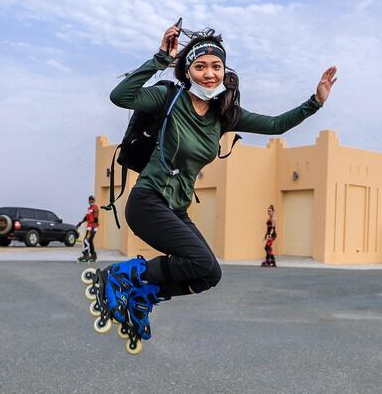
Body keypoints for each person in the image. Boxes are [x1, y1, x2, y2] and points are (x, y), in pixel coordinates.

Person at [86, 22, 336, 354]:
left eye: (216, 66)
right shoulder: (168, 99)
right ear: (188, 71)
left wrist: (315, 101)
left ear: (224, 70)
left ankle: (141, 295)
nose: (209, 73)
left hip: (175, 207)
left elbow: (275, 124)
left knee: (208, 273)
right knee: (199, 260)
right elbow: (121, 96)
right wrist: (160, 57)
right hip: (148, 201)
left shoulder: (224, 115)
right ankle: (123, 275)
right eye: (200, 66)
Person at [76, 196, 100, 262]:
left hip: (92, 226)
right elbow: (86, 218)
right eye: (90, 200)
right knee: (90, 241)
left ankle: (86, 255)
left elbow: (96, 217)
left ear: (94, 200)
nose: (90, 201)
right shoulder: (89, 208)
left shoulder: (95, 207)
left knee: (86, 240)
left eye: (92, 200)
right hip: (89, 226)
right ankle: (93, 255)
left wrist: (94, 226)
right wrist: (80, 223)